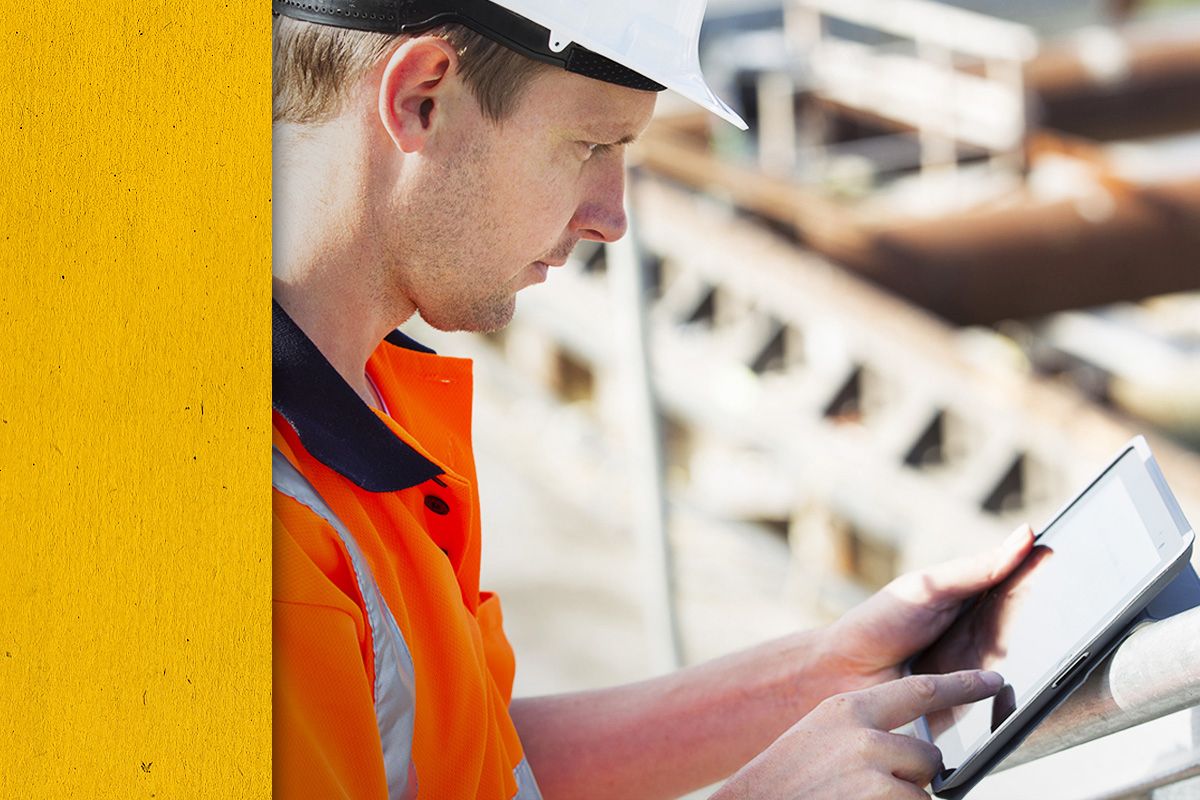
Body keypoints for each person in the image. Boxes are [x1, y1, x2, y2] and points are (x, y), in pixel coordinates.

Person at [270, 1, 1037, 797]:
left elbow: (464, 758)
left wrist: (828, 672)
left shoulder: (370, 391)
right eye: (590, 144)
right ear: (420, 98)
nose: (612, 217)